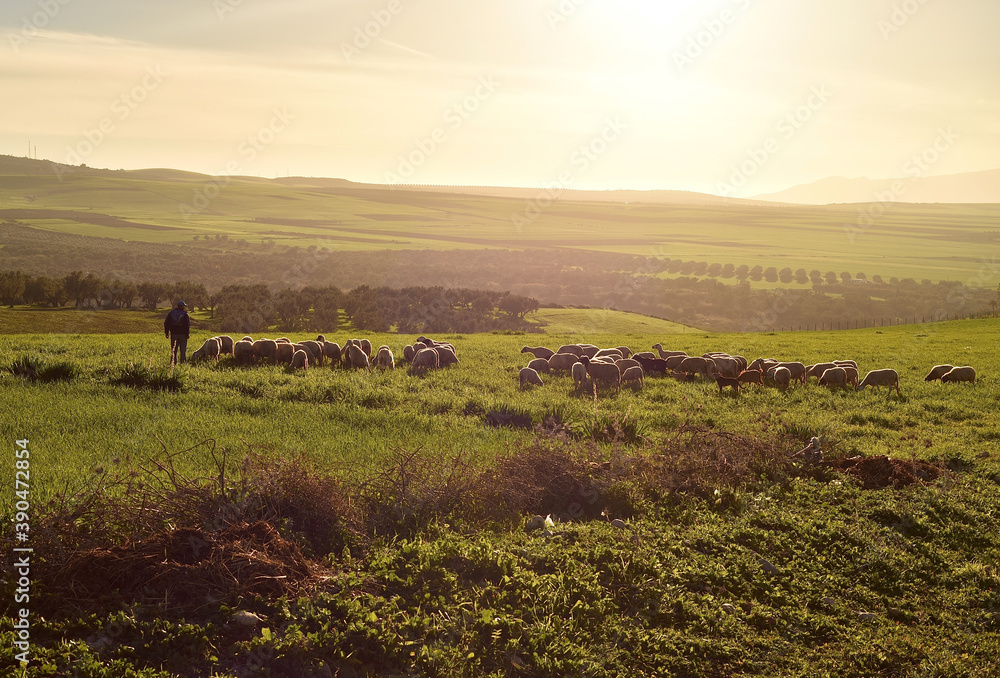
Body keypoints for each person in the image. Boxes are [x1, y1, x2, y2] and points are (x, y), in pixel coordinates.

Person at [164, 300, 191, 365]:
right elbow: (187, 325)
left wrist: (167, 332)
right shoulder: (185, 314)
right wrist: (187, 334)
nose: (184, 307)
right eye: (184, 306)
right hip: (183, 335)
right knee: (183, 350)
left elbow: (166, 323)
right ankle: (183, 363)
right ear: (181, 306)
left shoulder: (171, 313)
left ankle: (173, 363)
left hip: (173, 334)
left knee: (174, 350)